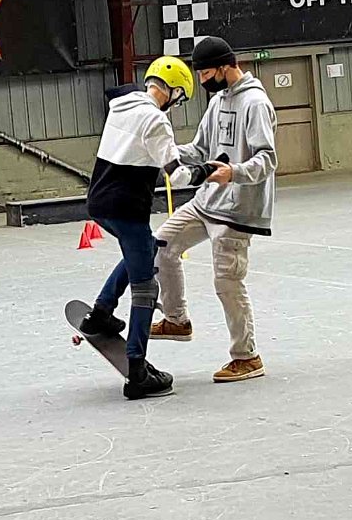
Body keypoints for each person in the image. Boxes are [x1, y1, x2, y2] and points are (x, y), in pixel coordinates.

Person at [79, 56, 221, 400]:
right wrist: (208, 170)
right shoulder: (156, 120)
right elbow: (178, 176)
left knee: (144, 248)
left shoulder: (122, 104)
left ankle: (101, 314)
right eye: (179, 98)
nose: (176, 104)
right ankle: (137, 372)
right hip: (127, 208)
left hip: (99, 203)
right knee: (146, 288)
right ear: (173, 91)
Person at [150, 36, 277, 383]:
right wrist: (164, 152)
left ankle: (247, 356)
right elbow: (200, 148)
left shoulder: (255, 103)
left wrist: (233, 172)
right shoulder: (218, 101)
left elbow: (268, 159)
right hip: (207, 201)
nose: (203, 81)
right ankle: (176, 320)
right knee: (162, 244)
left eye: (206, 74)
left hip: (238, 210)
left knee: (227, 281)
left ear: (224, 67)